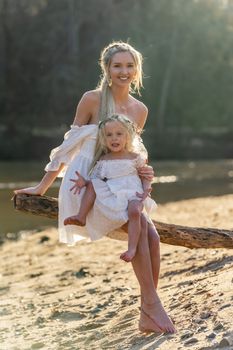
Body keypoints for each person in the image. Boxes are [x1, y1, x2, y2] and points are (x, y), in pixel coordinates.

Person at [14, 41, 176, 333]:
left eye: (130, 66)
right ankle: (152, 307)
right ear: (107, 68)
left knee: (151, 235)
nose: (123, 71)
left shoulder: (139, 109)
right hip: (87, 180)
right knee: (142, 235)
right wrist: (42, 186)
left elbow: (133, 151)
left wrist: (144, 175)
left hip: (123, 182)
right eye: (117, 66)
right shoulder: (91, 100)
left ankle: (148, 308)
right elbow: (68, 146)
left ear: (137, 70)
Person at [64, 114, 157, 263]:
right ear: (104, 140)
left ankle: (132, 248)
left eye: (119, 134)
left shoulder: (136, 157)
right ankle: (81, 216)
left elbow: (146, 175)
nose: (114, 138)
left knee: (134, 211)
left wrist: (146, 189)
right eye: (109, 135)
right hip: (115, 195)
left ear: (127, 137)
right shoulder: (103, 161)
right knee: (94, 183)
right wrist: (84, 182)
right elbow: (97, 180)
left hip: (135, 194)